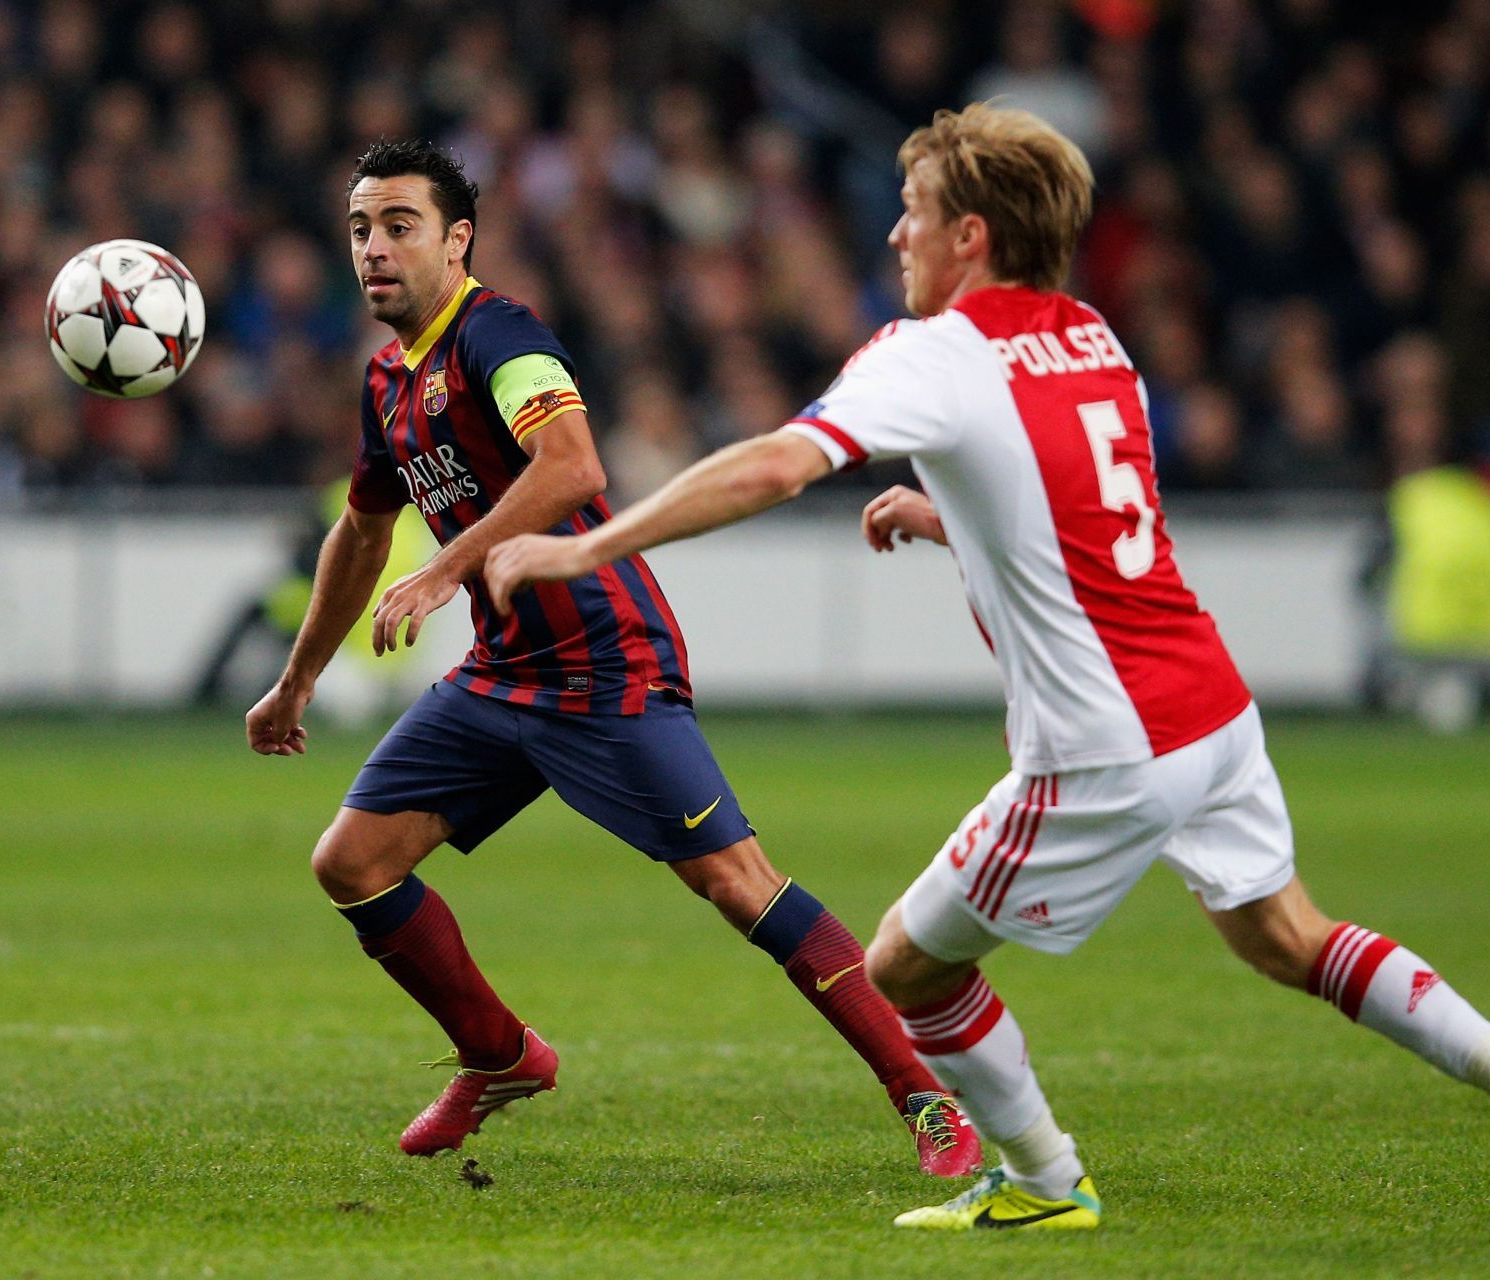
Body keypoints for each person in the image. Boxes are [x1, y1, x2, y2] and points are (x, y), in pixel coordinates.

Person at [484, 105, 1490, 1237]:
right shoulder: (1095, 335)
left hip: (1106, 743)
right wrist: (955, 520)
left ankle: (1046, 1175)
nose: (897, 235)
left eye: (913, 210)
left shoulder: (936, 350)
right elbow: (1089, 514)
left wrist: (585, 542)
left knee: (903, 965)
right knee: (1288, 934)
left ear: (971, 235)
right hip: (1212, 710)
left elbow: (778, 465)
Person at [243, 139, 979, 1176]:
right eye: (361, 227)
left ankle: (930, 1100)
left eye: (400, 224)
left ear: (458, 241)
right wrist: (298, 677)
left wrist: (451, 562)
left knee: (737, 882)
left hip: (605, 661)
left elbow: (573, 461)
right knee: (351, 861)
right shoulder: (384, 379)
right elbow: (361, 531)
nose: (374, 247)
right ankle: (499, 1055)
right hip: (503, 676)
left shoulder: (500, 334)